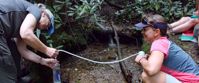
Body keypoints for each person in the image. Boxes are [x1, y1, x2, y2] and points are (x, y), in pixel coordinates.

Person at [0, 0, 59, 82]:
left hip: (3, 32)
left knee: (14, 53)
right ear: (44, 14)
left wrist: (42, 61)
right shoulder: (36, 10)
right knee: (7, 65)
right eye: (48, 25)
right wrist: (46, 49)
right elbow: (26, 33)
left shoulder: (24, 23)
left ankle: (17, 79)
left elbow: (23, 50)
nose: (46, 28)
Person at [134, 14, 199, 83]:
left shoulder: (159, 43)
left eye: (145, 29)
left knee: (147, 76)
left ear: (157, 32)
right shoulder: (163, 42)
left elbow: (151, 70)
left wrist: (141, 59)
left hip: (191, 81)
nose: (142, 32)